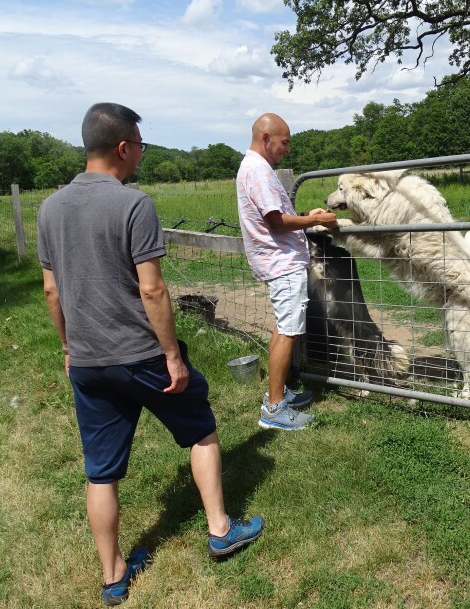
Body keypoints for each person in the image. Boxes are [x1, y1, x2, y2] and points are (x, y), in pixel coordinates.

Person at [37, 103, 264, 606]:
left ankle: (113, 574)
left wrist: (69, 348)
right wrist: (173, 357)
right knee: (200, 429)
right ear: (123, 148)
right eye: (139, 145)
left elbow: (52, 292)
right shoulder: (133, 204)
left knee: (101, 471)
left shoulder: (49, 209)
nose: (140, 155)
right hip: (140, 355)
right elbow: (153, 291)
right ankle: (221, 528)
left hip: (89, 361)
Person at [236, 113, 337, 430]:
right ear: (266, 138)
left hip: (278, 261)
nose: (287, 149)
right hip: (282, 263)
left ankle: (278, 394)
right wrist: (314, 221)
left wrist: (307, 216)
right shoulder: (260, 171)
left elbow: (277, 216)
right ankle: (274, 409)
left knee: (284, 328)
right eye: (284, 142)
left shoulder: (252, 168)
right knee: (288, 330)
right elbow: (276, 221)